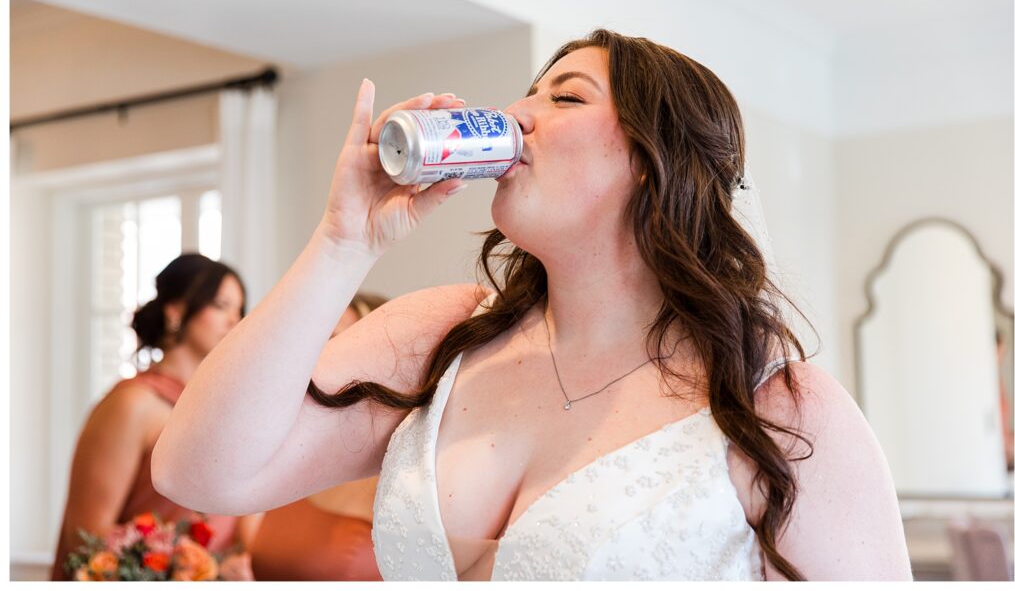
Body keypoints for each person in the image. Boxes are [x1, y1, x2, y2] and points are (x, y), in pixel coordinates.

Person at [153, 30, 912, 580]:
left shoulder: (777, 408)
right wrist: (341, 243)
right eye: (529, 92)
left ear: (653, 164)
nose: (517, 112)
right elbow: (196, 471)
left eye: (566, 96)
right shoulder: (439, 337)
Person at [51, 253, 259, 580]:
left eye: (239, 309)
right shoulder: (132, 405)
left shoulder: (228, 410)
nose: (235, 320)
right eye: (221, 306)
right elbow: (85, 534)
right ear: (175, 311)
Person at [249, 292, 388, 581]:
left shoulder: (399, 472)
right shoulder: (289, 454)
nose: (317, 355)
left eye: (336, 340)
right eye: (316, 341)